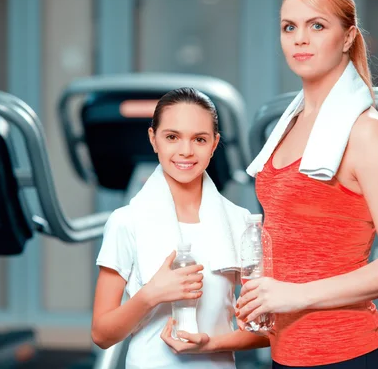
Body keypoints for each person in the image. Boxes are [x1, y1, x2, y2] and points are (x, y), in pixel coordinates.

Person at [233, 0, 378, 369]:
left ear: (347, 37)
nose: (300, 39)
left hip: (347, 354)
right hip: (286, 353)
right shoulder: (288, 125)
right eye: (290, 27)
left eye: (317, 25)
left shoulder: (365, 133)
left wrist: (293, 295)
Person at [91, 87, 270, 369]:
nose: (185, 151)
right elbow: (102, 334)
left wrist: (210, 343)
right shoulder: (126, 221)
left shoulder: (241, 222)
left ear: (214, 144)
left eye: (199, 139)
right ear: (154, 139)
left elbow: (267, 331)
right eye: (172, 137)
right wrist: (152, 294)